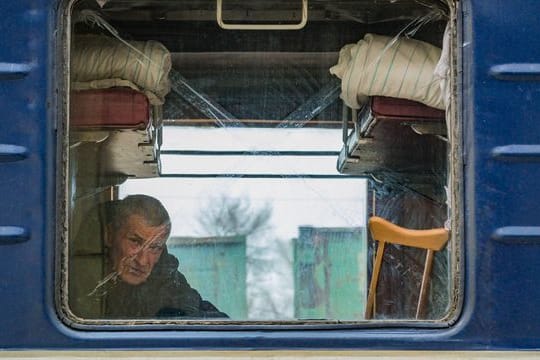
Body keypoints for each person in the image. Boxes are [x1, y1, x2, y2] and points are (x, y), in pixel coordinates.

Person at [70, 195, 228, 319]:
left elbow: (197, 312)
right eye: (135, 242)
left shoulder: (166, 278)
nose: (143, 261)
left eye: (154, 247)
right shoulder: (68, 284)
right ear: (110, 235)